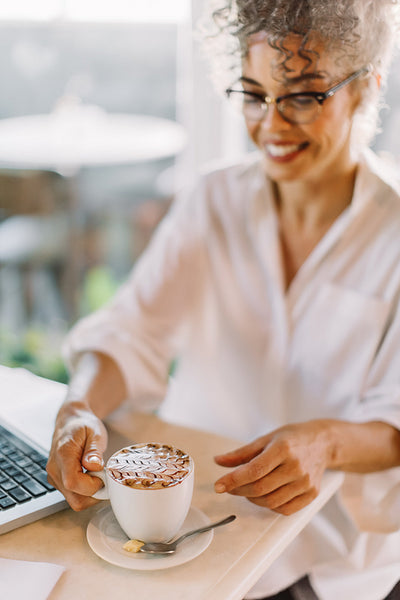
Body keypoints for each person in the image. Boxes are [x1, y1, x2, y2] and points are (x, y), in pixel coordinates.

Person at [47, 1, 400, 598]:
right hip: (189, 520)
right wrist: (78, 406)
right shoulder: (212, 200)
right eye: (254, 94)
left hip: (335, 555)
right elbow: (130, 330)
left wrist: (325, 441)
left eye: (303, 96)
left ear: (367, 86)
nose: (272, 124)